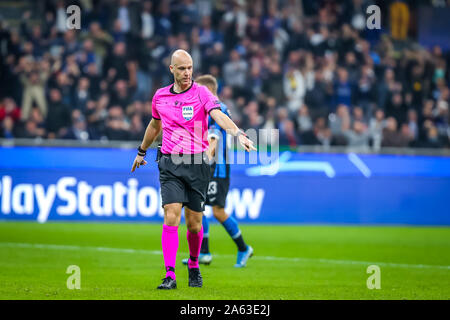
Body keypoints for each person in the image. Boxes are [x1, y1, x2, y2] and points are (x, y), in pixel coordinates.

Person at [131, 50, 256, 290]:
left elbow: (218, 115)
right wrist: (141, 151)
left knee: (195, 224)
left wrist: (238, 133)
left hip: (197, 165)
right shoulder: (160, 97)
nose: (187, 73)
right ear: (172, 70)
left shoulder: (202, 93)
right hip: (169, 162)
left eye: (189, 68)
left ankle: (195, 265)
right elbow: (155, 124)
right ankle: (170, 275)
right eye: (181, 68)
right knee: (171, 214)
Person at [182, 75, 253, 268]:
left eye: (199, 90)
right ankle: (203, 252)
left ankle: (243, 248)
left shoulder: (216, 108)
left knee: (217, 211)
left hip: (216, 169)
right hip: (211, 167)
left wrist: (203, 162)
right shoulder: (208, 108)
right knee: (198, 207)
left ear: (208, 90)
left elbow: (213, 139)